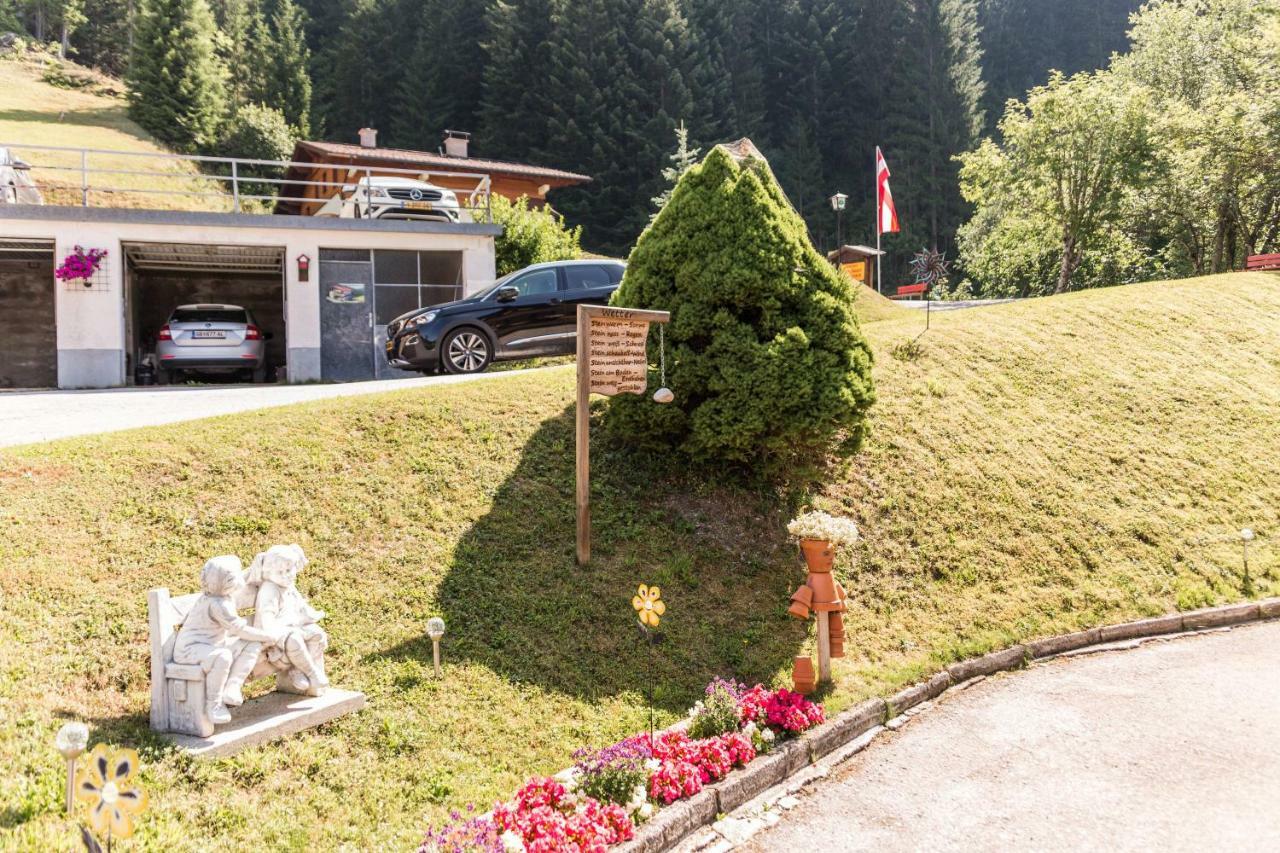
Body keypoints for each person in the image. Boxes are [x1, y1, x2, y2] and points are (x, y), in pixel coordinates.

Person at [172, 556, 282, 725]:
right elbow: (238, 629)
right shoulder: (218, 604)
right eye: (234, 577)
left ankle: (233, 686)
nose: (239, 580)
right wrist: (267, 636)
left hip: (212, 644)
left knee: (252, 644)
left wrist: (256, 565)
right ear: (227, 583)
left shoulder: (222, 596)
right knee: (223, 656)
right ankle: (214, 705)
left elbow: (243, 578)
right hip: (189, 650)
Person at [249, 544, 329, 695]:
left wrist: (308, 616)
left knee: (317, 634)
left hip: (292, 626)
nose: (286, 575)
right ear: (268, 572)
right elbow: (266, 619)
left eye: (289, 570)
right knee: (294, 639)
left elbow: (298, 606)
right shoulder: (269, 590)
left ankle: (297, 670)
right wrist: (284, 628)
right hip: (273, 633)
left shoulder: (287, 586)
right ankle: (312, 674)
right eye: (280, 572)